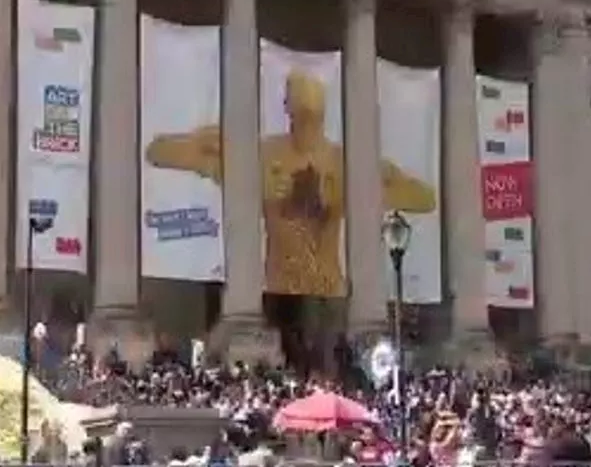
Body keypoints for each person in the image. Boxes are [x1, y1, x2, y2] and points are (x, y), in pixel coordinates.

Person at [143, 69, 434, 297]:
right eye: (302, 114)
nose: (307, 125)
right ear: (287, 109)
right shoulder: (263, 156)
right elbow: (157, 151)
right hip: (275, 287)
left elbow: (425, 198)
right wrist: (238, 174)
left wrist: (355, 193)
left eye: (313, 118)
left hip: (329, 287)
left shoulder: (345, 163)